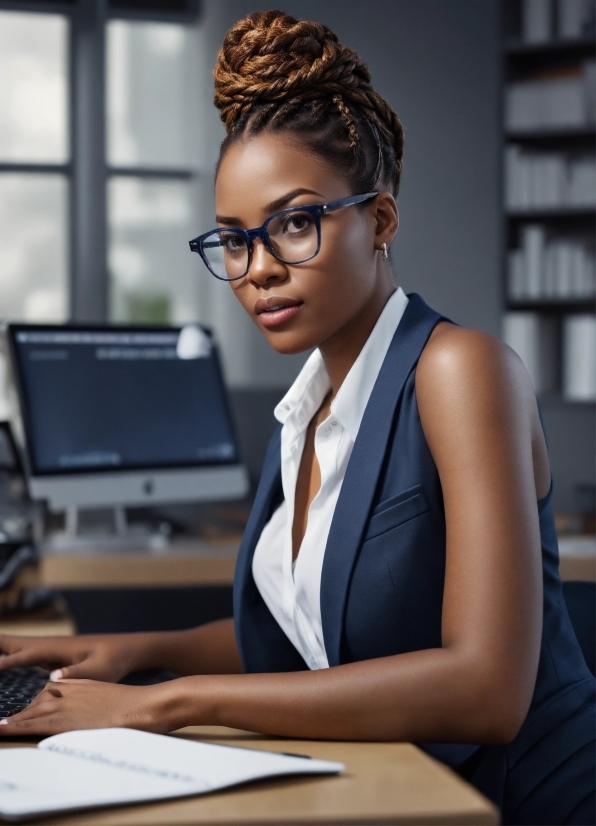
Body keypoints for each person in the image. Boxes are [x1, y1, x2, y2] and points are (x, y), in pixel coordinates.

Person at [0, 11, 593, 825]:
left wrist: (161, 703)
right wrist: (135, 654)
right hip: (394, 786)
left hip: (519, 803)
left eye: (295, 224)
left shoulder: (461, 370)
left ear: (379, 221)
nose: (259, 272)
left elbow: (487, 690)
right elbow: (316, 633)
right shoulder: (308, 409)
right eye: (236, 242)